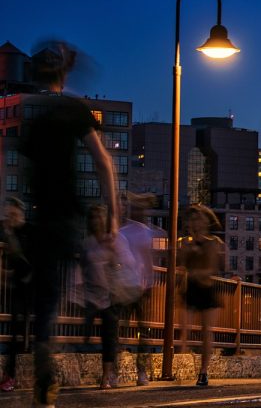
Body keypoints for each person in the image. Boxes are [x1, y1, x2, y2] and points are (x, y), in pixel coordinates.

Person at [20, 41, 118, 407]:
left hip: (40, 218)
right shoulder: (74, 110)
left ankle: (45, 347)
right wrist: (114, 216)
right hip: (69, 219)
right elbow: (104, 162)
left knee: (44, 300)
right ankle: (63, 353)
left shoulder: (36, 117)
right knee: (93, 277)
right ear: (64, 73)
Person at [178, 204, 224, 387]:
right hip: (190, 287)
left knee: (206, 331)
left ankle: (203, 372)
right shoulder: (186, 242)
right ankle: (182, 358)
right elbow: (182, 264)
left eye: (197, 218)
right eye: (192, 219)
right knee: (183, 328)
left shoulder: (214, 242)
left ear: (205, 221)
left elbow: (211, 269)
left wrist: (195, 268)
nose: (194, 222)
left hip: (207, 288)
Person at [119, 192, 156, 386]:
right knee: (138, 330)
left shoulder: (128, 232)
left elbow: (148, 259)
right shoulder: (127, 232)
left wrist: (149, 283)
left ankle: (136, 372)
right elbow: (148, 259)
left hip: (134, 287)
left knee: (128, 329)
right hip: (130, 286)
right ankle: (139, 373)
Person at [81, 205, 120, 389]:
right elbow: (82, 266)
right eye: (93, 217)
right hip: (89, 294)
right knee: (84, 332)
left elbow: (118, 265)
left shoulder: (110, 241)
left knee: (109, 336)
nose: (96, 220)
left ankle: (106, 376)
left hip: (109, 295)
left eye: (100, 217)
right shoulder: (86, 243)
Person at [0, 197, 32, 392]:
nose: (10, 218)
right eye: (7, 214)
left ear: (21, 215)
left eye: (14, 215)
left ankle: (10, 376)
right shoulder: (4, 230)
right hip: (9, 291)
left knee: (17, 334)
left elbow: (27, 267)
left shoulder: (27, 233)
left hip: (24, 291)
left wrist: (7, 274)